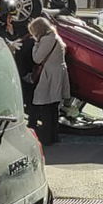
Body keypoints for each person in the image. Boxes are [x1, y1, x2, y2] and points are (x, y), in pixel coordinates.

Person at [28, 17, 70, 146]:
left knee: (46, 106)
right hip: (59, 73)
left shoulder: (46, 40)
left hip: (49, 75)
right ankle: (54, 135)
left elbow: (37, 59)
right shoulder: (55, 37)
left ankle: (46, 137)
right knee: (53, 107)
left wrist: (35, 45)